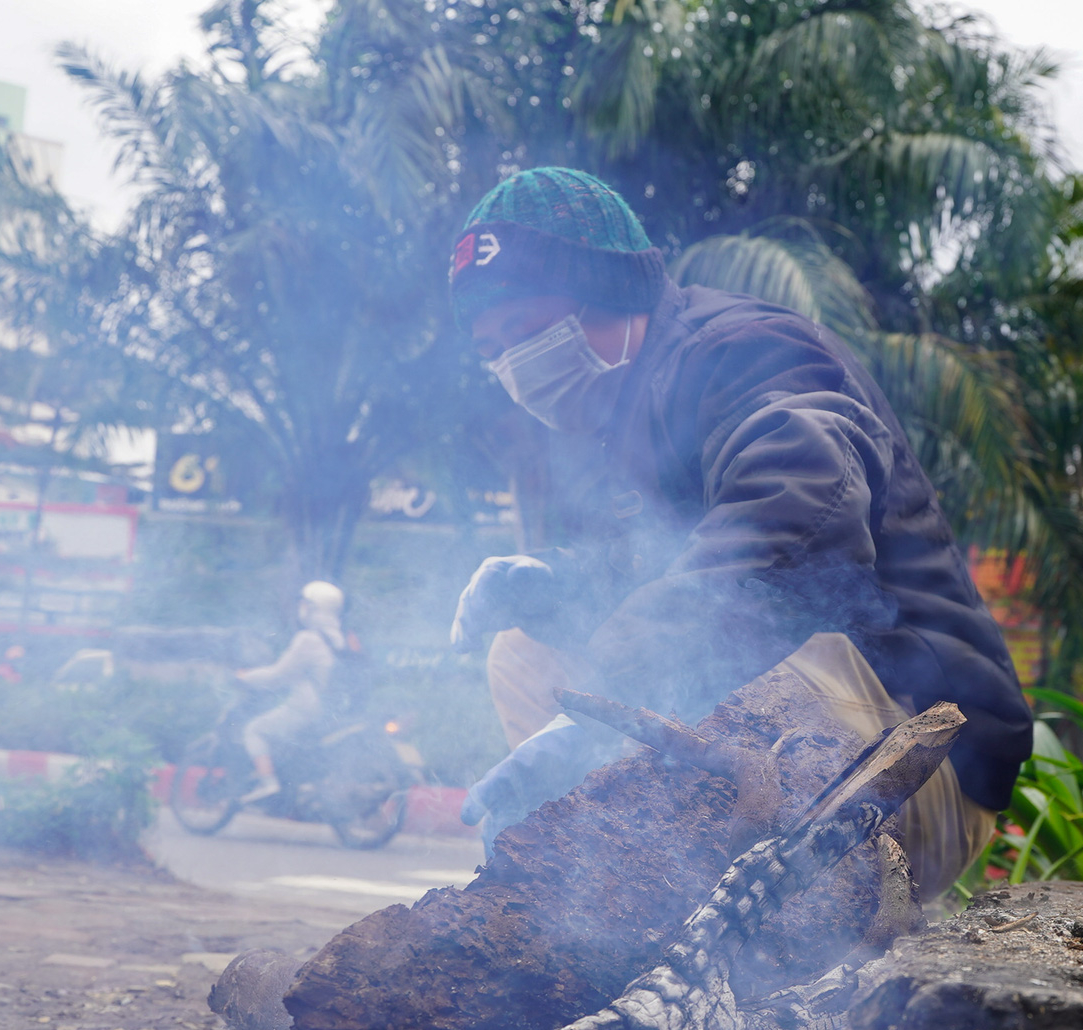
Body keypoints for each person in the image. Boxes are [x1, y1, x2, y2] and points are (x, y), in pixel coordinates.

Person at [446, 167, 1031, 899]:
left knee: (738, 636)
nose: (511, 363)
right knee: (523, 651)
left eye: (525, 327)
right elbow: (653, 580)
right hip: (791, 744)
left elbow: (793, 531)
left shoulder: (749, 351)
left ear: (612, 291)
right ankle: (599, 900)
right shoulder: (612, 425)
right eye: (490, 346)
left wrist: (607, 713)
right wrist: (555, 589)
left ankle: (765, 914)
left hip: (918, 756)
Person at [235, 581, 347, 803]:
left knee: (254, 730)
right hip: (330, 711)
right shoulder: (338, 639)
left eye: (305, 604)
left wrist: (245, 677)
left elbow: (278, 675)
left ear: (314, 608)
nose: (301, 608)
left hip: (305, 709)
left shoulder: (309, 639)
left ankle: (268, 783)